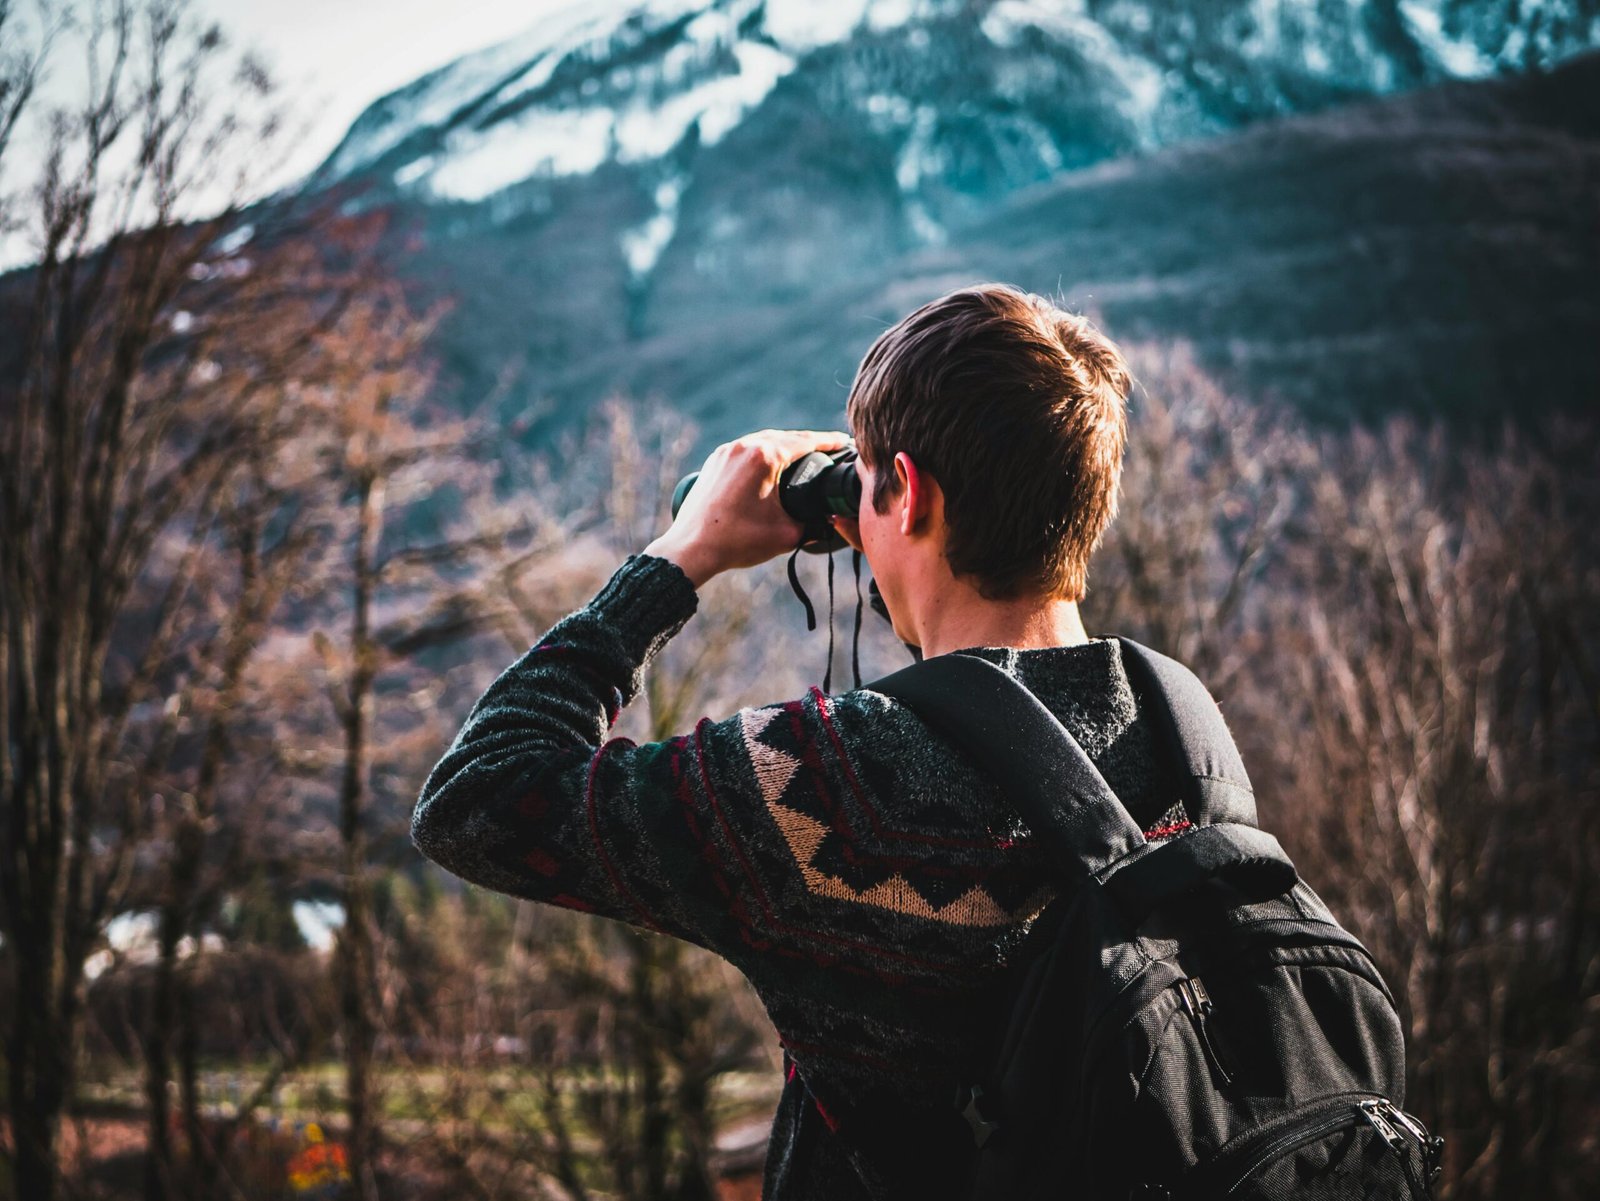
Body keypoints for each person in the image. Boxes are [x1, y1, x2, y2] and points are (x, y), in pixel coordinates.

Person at [411, 283, 1188, 1199]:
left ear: (908, 494)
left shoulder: (835, 796)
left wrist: (679, 554)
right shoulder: (1183, 744)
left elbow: (478, 797)